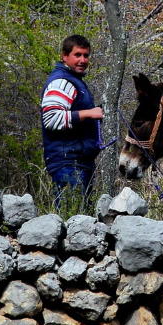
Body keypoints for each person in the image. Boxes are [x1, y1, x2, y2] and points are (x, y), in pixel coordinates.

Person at [40, 34, 104, 206]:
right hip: (68, 163)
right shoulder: (62, 82)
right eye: (77, 55)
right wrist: (89, 113)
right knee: (73, 216)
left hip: (79, 162)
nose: (83, 60)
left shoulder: (75, 81)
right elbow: (51, 118)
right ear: (64, 56)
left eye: (86, 55)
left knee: (80, 214)